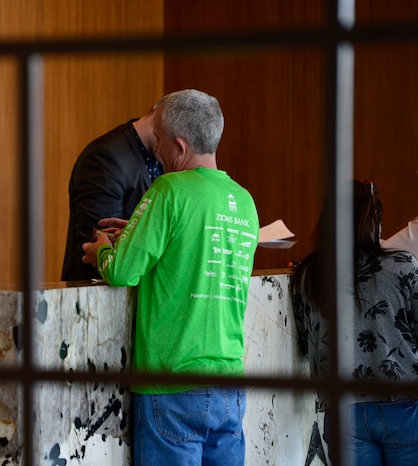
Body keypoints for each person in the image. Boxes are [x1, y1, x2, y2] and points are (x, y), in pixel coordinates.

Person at [82, 89, 260, 465]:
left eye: (159, 140)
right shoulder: (244, 199)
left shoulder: (169, 189)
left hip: (172, 382)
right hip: (229, 381)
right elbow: (195, 252)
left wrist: (102, 251)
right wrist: (139, 230)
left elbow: (121, 271)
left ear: (179, 145)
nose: (156, 149)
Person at [291, 180, 418, 465]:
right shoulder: (403, 265)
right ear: (375, 222)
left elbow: (304, 341)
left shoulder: (307, 276)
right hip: (405, 403)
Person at [61, 102, 164, 281]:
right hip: (96, 297)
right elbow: (96, 244)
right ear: (160, 118)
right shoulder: (104, 158)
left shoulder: (159, 156)